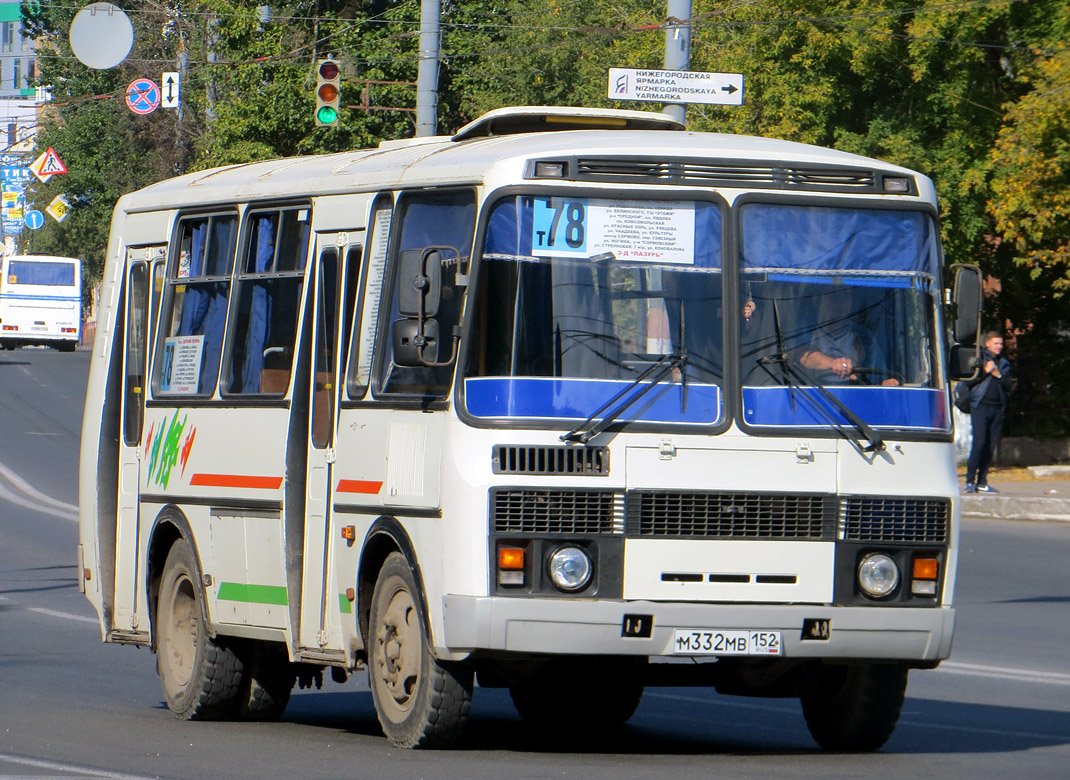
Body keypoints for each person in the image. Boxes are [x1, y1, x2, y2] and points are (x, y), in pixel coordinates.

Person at [799, 287, 899, 386]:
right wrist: (833, 363)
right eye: (835, 297)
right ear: (817, 300)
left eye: (846, 297)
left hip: (854, 394)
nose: (841, 303)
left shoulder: (863, 335)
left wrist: (886, 384)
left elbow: (877, 374)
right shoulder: (806, 331)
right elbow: (804, 356)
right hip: (812, 395)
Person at [965, 331, 1013, 493]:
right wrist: (985, 371)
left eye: (1001, 344)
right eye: (996, 343)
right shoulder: (979, 360)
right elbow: (968, 382)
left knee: (990, 445)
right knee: (979, 443)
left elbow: (1008, 386)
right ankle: (970, 481)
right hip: (980, 406)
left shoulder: (1004, 363)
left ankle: (982, 481)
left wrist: (997, 374)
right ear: (988, 344)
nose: (999, 346)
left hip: (997, 408)